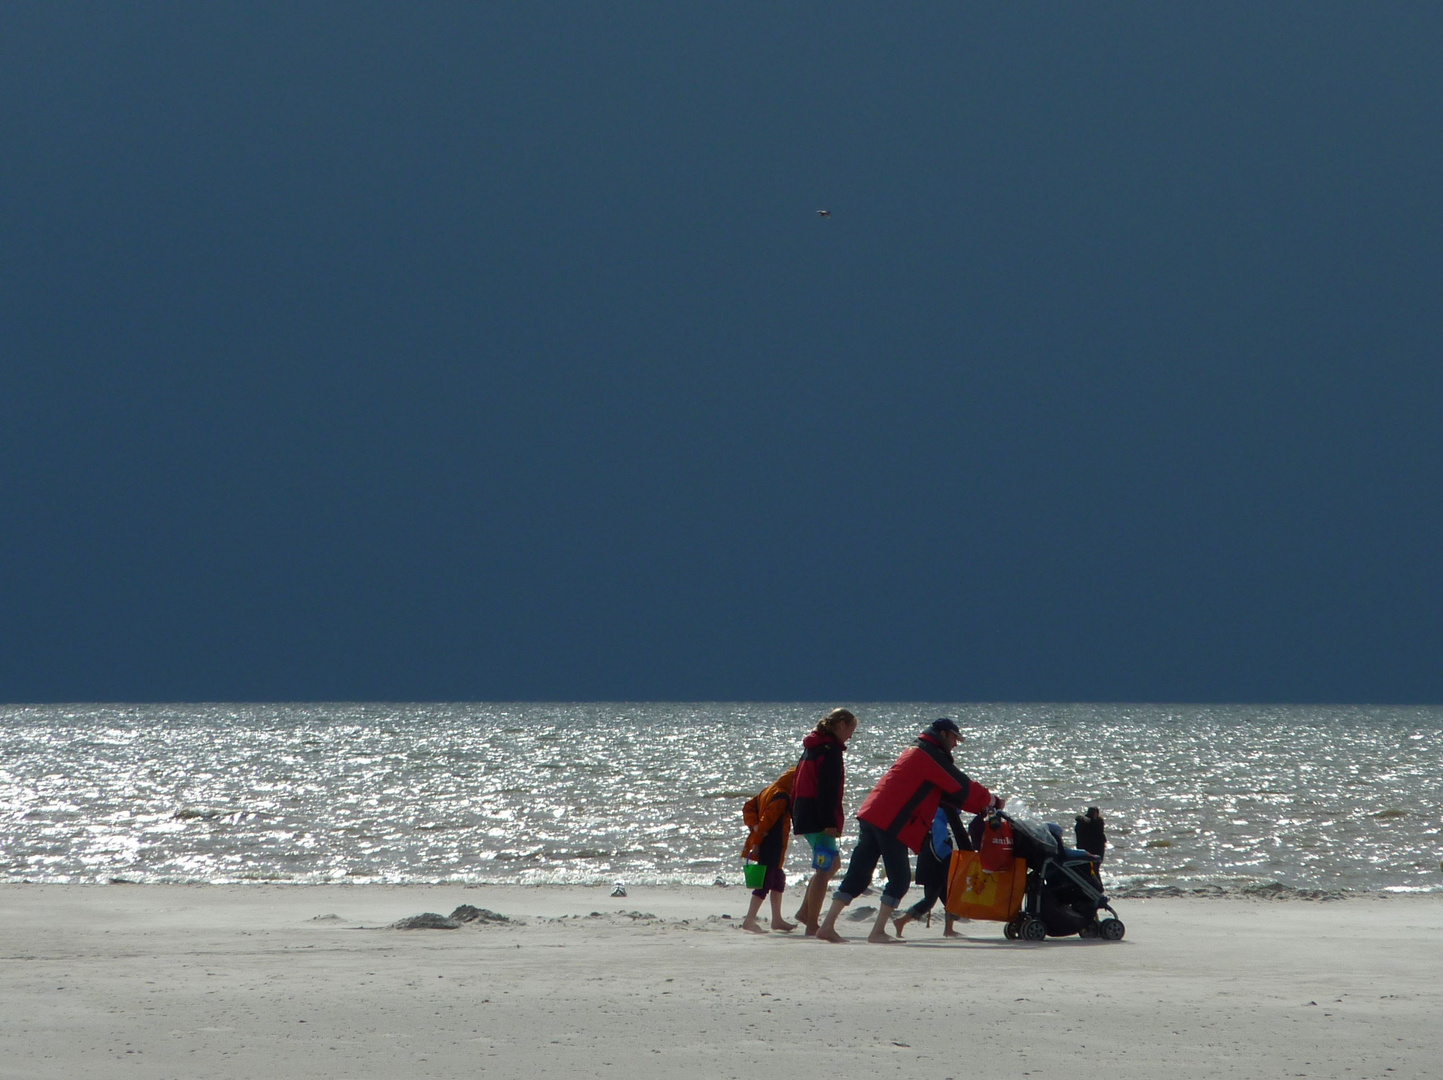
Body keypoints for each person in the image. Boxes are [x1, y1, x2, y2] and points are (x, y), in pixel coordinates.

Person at [816, 718, 1003, 944]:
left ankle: (827, 926)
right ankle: (877, 932)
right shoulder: (929, 754)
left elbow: (951, 795)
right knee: (900, 879)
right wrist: (993, 801)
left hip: (871, 814)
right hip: (891, 821)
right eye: (955, 738)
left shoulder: (917, 750)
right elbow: (961, 786)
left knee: (858, 875)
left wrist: (983, 807)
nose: (956, 744)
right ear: (943, 734)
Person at [790, 707, 858, 936]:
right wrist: (830, 822)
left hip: (804, 811)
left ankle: (804, 912)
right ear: (840, 725)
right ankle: (811, 924)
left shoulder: (814, 746)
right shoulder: (830, 751)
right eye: (851, 729)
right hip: (817, 818)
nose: (850, 735)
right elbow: (826, 790)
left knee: (831, 865)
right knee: (825, 868)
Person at [891, 804, 970, 939]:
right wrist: (952, 858)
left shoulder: (936, 822)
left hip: (934, 867)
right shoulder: (938, 824)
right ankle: (901, 921)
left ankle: (949, 929)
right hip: (934, 869)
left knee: (949, 898)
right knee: (930, 900)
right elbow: (939, 849)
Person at [739, 767, 797, 933]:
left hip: (769, 842)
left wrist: (753, 825)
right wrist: (757, 839)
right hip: (771, 842)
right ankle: (749, 920)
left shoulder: (769, 789)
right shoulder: (782, 797)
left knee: (778, 878)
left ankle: (777, 920)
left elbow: (749, 806)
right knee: (765, 882)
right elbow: (767, 821)